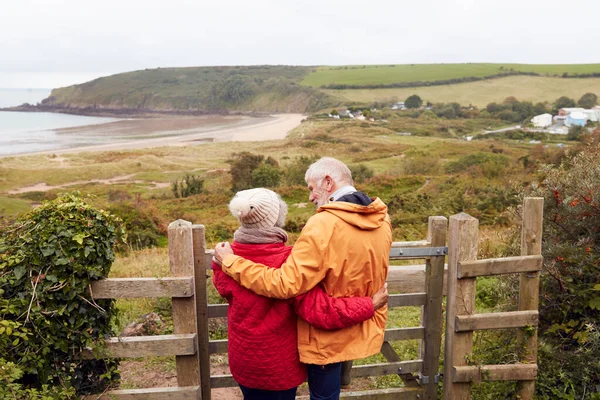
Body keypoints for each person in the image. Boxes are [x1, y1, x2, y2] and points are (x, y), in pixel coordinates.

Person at [214, 157, 392, 400]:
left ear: (328, 182)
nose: (310, 197)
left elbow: (285, 284)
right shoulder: (382, 219)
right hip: (352, 325)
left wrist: (230, 261)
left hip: (321, 337)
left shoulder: (323, 223)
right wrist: (368, 305)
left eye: (311, 188)